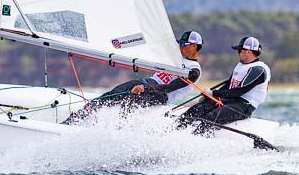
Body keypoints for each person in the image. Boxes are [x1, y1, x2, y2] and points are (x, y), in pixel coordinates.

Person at [63, 31, 203, 124]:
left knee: (129, 103)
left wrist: (146, 88)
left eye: (184, 45)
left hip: (161, 95)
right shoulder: (175, 57)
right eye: (180, 44)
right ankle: (74, 119)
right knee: (112, 95)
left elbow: (170, 88)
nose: (180, 47)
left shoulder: (194, 71)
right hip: (148, 82)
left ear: (195, 46)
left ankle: (119, 130)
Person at [177, 36, 271, 132]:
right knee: (197, 109)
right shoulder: (241, 65)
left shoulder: (258, 69)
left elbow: (238, 91)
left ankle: (197, 138)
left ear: (248, 52)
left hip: (244, 106)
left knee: (210, 117)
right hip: (231, 100)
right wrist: (210, 95)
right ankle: (176, 130)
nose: (238, 53)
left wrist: (214, 94)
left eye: (239, 50)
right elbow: (228, 85)